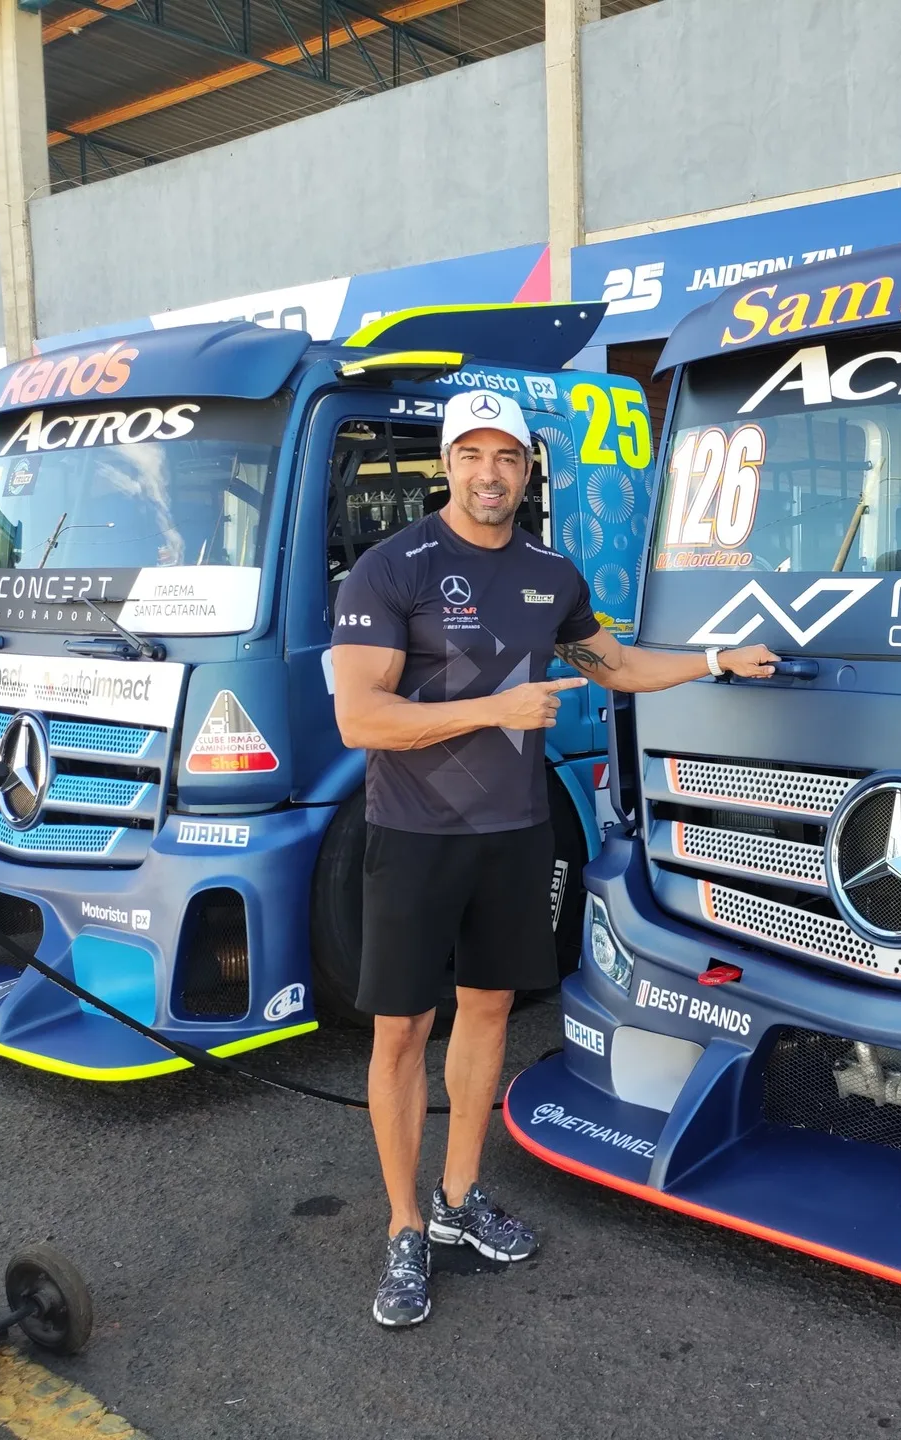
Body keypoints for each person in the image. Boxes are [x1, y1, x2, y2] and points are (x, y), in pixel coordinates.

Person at [331, 390, 777, 1327]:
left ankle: (458, 1202)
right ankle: (403, 1228)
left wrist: (713, 661)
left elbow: (612, 665)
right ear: (446, 465)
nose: (490, 474)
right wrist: (493, 709)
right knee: (403, 1030)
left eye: (508, 459)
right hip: (413, 837)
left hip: (513, 833)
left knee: (489, 1011)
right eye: (473, 456)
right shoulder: (389, 569)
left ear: (528, 473)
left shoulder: (548, 572)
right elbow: (361, 718)